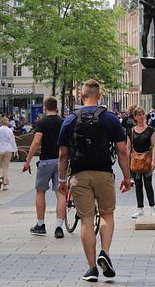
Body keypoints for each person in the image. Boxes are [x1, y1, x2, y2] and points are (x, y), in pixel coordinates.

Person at [57, 79, 130, 282]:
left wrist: (62, 180)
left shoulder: (70, 120)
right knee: (107, 214)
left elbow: (63, 154)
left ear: (81, 96)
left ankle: (91, 269)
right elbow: (122, 151)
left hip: (79, 175)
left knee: (86, 220)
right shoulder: (111, 119)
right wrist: (127, 177)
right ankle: (104, 252)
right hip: (104, 174)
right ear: (99, 96)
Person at [23, 96, 66, 238]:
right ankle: (59, 227)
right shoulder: (63, 122)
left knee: (40, 192)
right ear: (56, 107)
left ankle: (40, 225)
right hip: (61, 161)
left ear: (45, 108)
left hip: (46, 161)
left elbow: (36, 143)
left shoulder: (42, 123)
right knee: (60, 193)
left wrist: (28, 160)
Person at [126, 106, 155, 219]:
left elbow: (154, 146)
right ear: (135, 117)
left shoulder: (150, 130)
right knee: (138, 185)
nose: (141, 116)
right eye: (139, 114)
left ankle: (152, 208)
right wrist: (126, 162)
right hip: (135, 161)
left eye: (143, 114)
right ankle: (140, 209)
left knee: (148, 185)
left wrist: (153, 160)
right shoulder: (131, 131)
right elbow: (128, 148)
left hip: (147, 161)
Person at [0, 117, 17, 190]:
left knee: (0, 166)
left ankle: (0, 178)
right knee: (6, 167)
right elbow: (12, 141)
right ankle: (5, 185)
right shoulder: (9, 131)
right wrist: (15, 150)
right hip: (8, 149)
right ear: (7, 122)